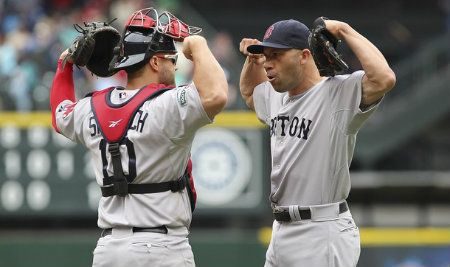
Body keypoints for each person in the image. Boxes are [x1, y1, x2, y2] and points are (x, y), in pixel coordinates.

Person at [50, 8, 228, 267]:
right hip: (161, 247)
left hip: (108, 250)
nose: (175, 66)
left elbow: (59, 113)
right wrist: (198, 45)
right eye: (171, 60)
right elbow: (216, 95)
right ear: (155, 62)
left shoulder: (90, 106)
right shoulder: (166, 104)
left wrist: (64, 63)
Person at [239, 19, 395, 267]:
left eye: (276, 55)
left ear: (304, 55)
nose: (268, 63)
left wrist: (345, 29)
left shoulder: (337, 93)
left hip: (321, 231)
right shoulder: (276, 95)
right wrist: (253, 61)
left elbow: (384, 78)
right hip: (281, 230)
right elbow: (249, 93)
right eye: (266, 56)